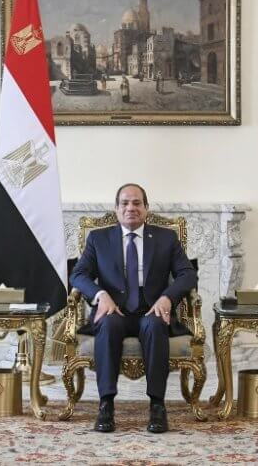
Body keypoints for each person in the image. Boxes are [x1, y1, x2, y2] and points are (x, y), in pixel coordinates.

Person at [69, 183, 197, 434]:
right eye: (125, 203)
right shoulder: (99, 239)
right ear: (116, 209)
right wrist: (100, 294)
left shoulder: (166, 238)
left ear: (146, 208)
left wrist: (168, 298)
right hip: (113, 310)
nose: (131, 208)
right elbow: (79, 274)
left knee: (156, 324)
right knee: (107, 323)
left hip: (151, 310)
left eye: (137, 203)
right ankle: (105, 405)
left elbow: (187, 274)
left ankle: (157, 406)